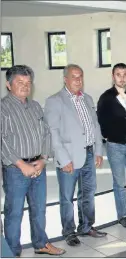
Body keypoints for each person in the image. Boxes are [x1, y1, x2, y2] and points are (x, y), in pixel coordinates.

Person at [1, 65, 66, 256]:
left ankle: (40, 243)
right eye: (20, 82)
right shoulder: (3, 108)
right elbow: (1, 140)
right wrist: (22, 165)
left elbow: (46, 134)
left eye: (28, 82)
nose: (25, 86)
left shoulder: (35, 106)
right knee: (14, 213)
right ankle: (12, 251)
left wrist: (43, 159)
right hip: (15, 170)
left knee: (39, 210)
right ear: (8, 84)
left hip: (38, 166)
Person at [45, 64, 107, 246]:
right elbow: (53, 132)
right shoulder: (55, 101)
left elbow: (95, 126)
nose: (78, 80)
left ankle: (86, 226)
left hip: (88, 154)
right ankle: (69, 231)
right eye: (74, 77)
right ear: (65, 79)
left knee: (88, 193)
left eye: (80, 77)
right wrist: (63, 159)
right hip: (69, 157)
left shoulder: (87, 98)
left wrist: (98, 151)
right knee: (67, 197)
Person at [97, 63, 126, 228]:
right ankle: (123, 215)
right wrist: (109, 134)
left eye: (125, 74)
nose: (122, 78)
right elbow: (100, 120)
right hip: (115, 145)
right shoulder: (106, 97)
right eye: (118, 74)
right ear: (113, 76)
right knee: (120, 183)